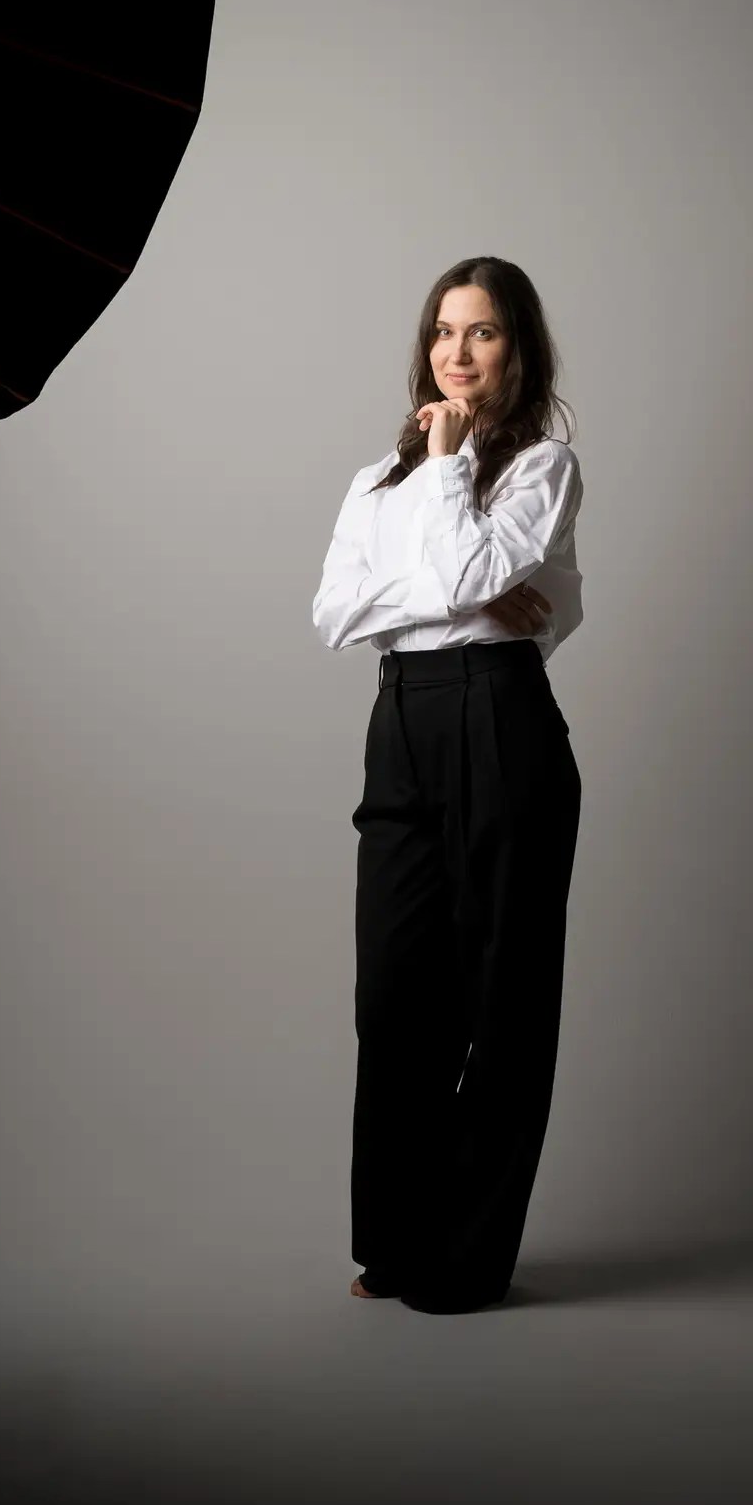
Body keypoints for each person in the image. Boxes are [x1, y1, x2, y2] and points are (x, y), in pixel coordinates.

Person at [312, 257, 585, 1314]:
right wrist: (455, 587)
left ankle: (465, 1260)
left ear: (518, 349)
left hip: (499, 719)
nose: (455, 352)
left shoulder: (541, 467)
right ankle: (393, 1246)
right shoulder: (371, 483)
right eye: (441, 330)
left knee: (502, 998)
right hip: (401, 721)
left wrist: (446, 467)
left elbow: (466, 578)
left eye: (481, 332)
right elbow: (335, 614)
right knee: (394, 998)